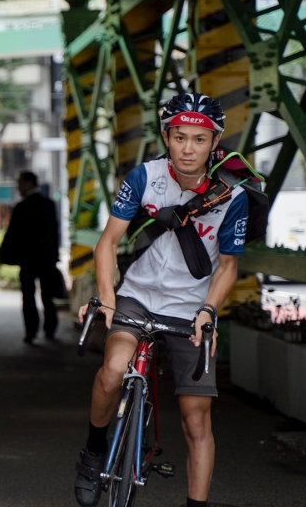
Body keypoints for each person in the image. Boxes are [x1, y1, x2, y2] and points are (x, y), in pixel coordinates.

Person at [74, 93, 249, 507]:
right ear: (167, 138)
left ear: (215, 142)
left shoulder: (232, 196)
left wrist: (208, 311)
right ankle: (94, 451)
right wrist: (107, 299)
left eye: (200, 139)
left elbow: (228, 267)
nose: (188, 148)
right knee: (112, 371)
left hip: (191, 309)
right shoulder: (145, 177)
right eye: (180, 137)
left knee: (195, 419)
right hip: (136, 297)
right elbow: (107, 243)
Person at [0, 171, 60, 343]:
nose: (18, 187)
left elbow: (12, 234)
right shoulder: (48, 204)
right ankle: (50, 329)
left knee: (28, 296)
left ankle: (31, 331)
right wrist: (54, 256)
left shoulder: (22, 207)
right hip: (46, 259)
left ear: (29, 183)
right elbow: (54, 233)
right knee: (48, 296)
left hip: (27, 260)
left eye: (20, 183)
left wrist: (3, 253)